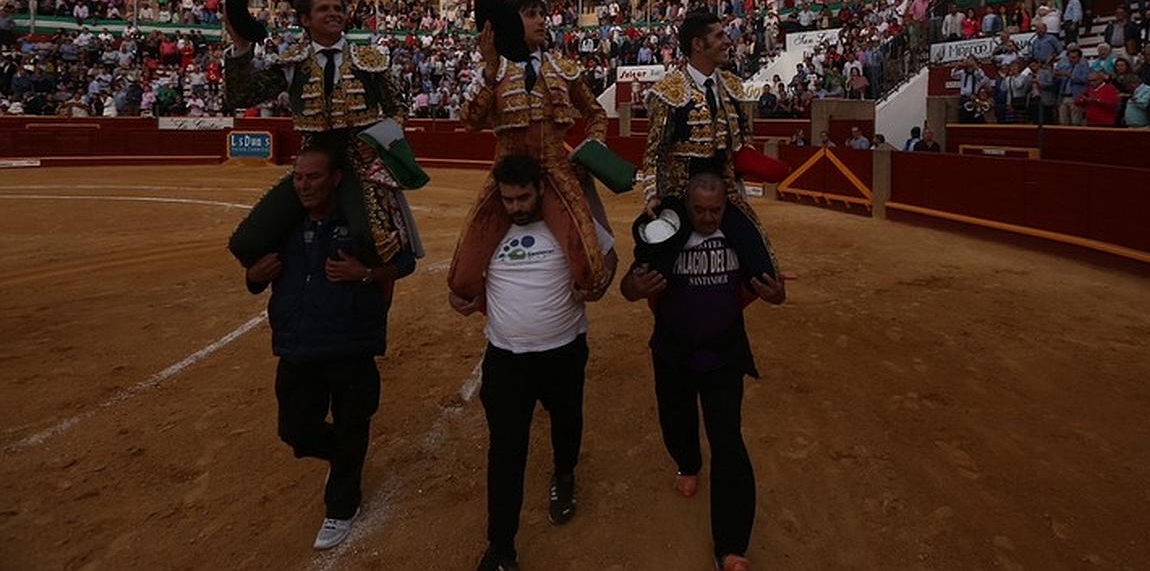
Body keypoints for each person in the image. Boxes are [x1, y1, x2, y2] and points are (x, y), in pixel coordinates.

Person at [244, 146, 416, 550]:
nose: (303, 186)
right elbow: (255, 274)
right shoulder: (284, 222)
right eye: (298, 178)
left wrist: (366, 272)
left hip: (350, 343)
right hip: (298, 344)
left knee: (352, 421)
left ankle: (341, 505)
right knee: (295, 431)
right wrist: (253, 276)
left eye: (313, 177)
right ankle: (346, 459)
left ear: (337, 178)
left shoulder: (361, 220)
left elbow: (406, 261)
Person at [451, 155, 615, 571]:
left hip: (564, 350)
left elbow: (608, 257)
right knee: (505, 450)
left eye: (524, 198)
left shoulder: (567, 221)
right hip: (506, 358)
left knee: (567, 423)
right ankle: (501, 547)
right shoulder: (488, 230)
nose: (516, 207)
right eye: (508, 199)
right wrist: (460, 301)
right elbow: (463, 284)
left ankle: (564, 476)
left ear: (540, 190)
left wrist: (599, 286)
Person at [620, 172, 786, 571]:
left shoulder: (741, 239)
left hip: (724, 355)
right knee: (675, 422)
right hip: (673, 352)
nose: (708, 218)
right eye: (699, 210)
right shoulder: (667, 235)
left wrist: (778, 295)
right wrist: (634, 288)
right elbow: (630, 284)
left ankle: (731, 546)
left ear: (725, 208)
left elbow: (773, 287)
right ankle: (687, 461)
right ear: (686, 206)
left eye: (715, 211)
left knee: (728, 443)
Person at [225, 0, 426, 272]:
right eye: (324, 9)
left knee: (373, 241)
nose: (334, 13)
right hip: (312, 161)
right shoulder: (291, 61)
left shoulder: (368, 58)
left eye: (338, 8)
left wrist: (376, 141)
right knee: (246, 242)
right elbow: (240, 97)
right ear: (305, 20)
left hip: (360, 160)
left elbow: (399, 109)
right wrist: (242, 47)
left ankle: (365, 286)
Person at [450, 0, 615, 305]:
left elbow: (596, 113)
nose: (541, 20)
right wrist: (488, 72)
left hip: (556, 171)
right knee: (462, 279)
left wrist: (591, 148)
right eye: (531, 14)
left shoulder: (563, 69)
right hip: (507, 176)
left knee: (591, 272)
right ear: (513, 23)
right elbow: (469, 121)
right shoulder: (493, 70)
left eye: (542, 13)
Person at [639, 9, 778, 281]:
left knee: (764, 269)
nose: (727, 41)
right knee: (650, 271)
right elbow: (654, 153)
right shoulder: (669, 91)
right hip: (680, 194)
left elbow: (743, 140)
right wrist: (653, 196)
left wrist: (750, 160)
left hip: (725, 192)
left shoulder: (732, 86)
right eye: (719, 36)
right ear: (698, 45)